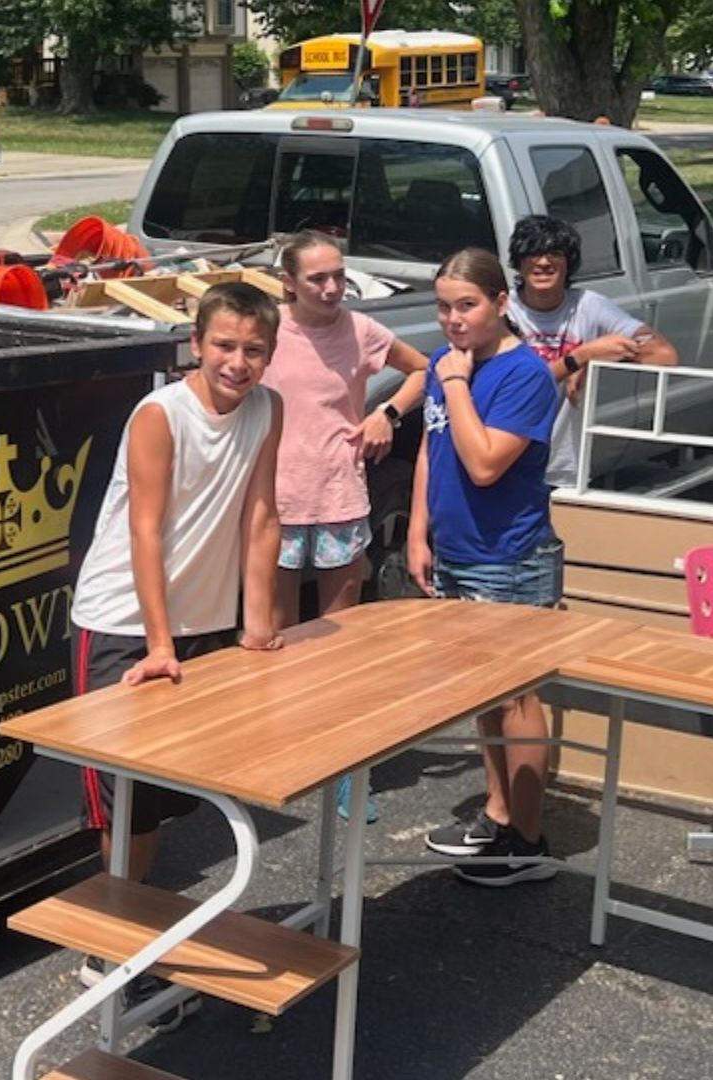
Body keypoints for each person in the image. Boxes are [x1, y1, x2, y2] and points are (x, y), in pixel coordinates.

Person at [67, 281, 284, 1017]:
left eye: (254, 350)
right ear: (197, 344)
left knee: (159, 799)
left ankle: (136, 932)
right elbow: (145, 530)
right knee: (123, 802)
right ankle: (110, 950)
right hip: (125, 619)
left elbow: (261, 516)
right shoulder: (160, 414)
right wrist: (158, 642)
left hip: (204, 620)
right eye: (224, 345)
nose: (237, 362)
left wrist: (258, 624)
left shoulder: (266, 410)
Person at [407, 248, 564, 886]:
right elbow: (433, 446)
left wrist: (453, 382)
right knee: (484, 698)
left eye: (467, 305)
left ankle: (527, 840)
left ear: (502, 303)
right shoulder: (453, 367)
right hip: (458, 554)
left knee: (517, 697)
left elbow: (484, 462)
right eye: (443, 307)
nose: (453, 320)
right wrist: (418, 531)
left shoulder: (523, 375)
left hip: (511, 560)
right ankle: (498, 813)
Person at [263, 231, 427, 822]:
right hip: (273, 505)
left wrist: (386, 412)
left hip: (337, 498)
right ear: (288, 283)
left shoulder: (361, 331)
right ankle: (279, 754)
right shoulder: (268, 330)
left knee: (342, 643)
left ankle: (345, 770)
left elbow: (421, 371)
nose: (332, 288)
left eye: (338, 275)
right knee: (273, 639)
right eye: (317, 279)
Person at [507, 215, 678, 489]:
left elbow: (664, 355)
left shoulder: (589, 306)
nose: (543, 262)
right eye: (533, 253)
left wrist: (598, 358)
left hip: (561, 468)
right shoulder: (503, 310)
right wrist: (580, 357)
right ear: (518, 260)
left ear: (569, 263)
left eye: (555, 254)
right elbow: (523, 387)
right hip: (505, 461)